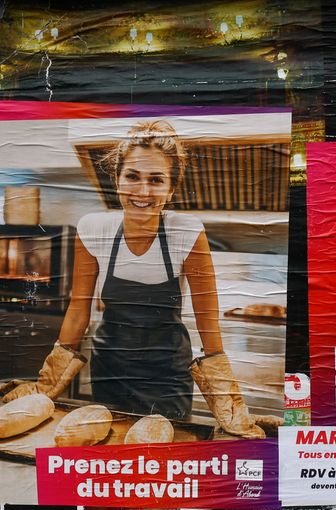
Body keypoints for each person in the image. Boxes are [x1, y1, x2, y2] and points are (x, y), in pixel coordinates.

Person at [3, 120, 263, 438]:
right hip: (109, 370)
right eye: (132, 176)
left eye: (156, 180)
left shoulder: (188, 232)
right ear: (116, 178)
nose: (142, 191)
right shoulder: (93, 229)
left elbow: (207, 324)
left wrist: (228, 403)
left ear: (172, 188)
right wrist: (46, 387)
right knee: (107, 447)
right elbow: (78, 310)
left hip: (167, 375)